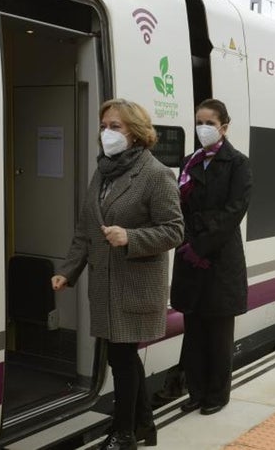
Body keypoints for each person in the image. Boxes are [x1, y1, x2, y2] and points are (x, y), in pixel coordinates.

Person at [51, 98, 184, 450]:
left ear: (136, 134)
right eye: (104, 126)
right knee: (121, 357)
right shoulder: (104, 171)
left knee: (122, 359)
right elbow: (86, 227)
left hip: (135, 284)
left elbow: (174, 230)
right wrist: (68, 270)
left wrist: (131, 237)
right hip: (106, 283)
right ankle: (143, 426)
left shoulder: (156, 174)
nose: (106, 133)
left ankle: (123, 433)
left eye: (115, 127)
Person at [169, 98, 252, 416]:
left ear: (224, 127)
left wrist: (200, 245)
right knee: (194, 330)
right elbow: (180, 207)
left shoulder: (238, 164)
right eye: (198, 122)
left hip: (219, 259)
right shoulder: (189, 162)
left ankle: (217, 394)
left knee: (218, 332)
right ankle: (196, 391)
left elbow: (234, 211)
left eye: (209, 123)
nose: (202, 128)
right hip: (190, 256)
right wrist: (187, 241)